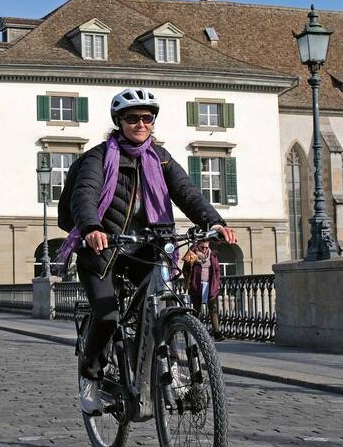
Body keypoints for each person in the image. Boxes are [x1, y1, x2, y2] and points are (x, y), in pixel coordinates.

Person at [62, 88, 236, 415]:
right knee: (108, 313)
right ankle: (92, 376)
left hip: (148, 247)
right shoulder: (99, 157)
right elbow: (84, 194)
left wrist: (214, 221)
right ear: (119, 122)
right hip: (105, 251)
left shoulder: (161, 159)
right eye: (132, 118)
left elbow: (187, 193)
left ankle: (175, 375)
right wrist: (91, 228)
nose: (140, 124)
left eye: (147, 118)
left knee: (166, 301)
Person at [181, 239, 223, 340]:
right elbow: (185, 269)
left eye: (206, 247)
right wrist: (189, 280)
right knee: (196, 309)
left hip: (210, 285)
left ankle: (217, 332)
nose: (204, 249)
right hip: (196, 285)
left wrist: (217, 282)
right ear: (198, 245)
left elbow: (217, 269)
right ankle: (194, 330)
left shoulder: (212, 255)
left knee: (213, 309)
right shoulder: (192, 253)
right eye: (202, 247)